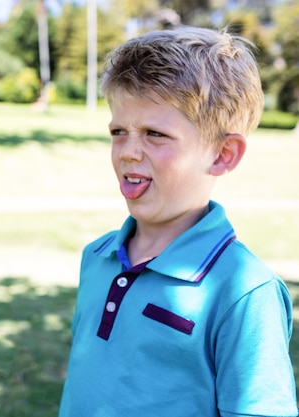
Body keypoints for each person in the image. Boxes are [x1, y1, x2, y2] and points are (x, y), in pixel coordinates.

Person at [58, 26, 298, 417]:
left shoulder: (245, 291)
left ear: (223, 154)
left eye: (155, 134)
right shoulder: (97, 256)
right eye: (119, 132)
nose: (128, 153)